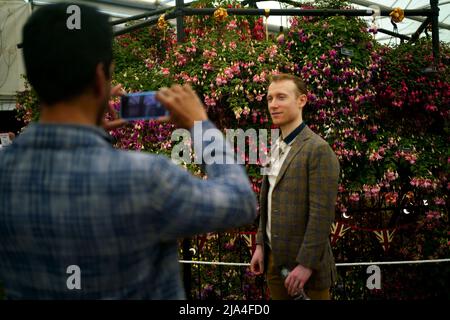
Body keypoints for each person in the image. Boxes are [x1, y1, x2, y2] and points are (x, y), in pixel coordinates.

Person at [0, 3, 256, 299]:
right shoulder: (145, 178)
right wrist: (201, 125)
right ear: (100, 78)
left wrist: (91, 129)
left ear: (32, 79)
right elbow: (240, 202)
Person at [250, 74, 340, 300]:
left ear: (302, 101)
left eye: (281, 97)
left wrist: (306, 265)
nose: (273, 104)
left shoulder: (318, 149)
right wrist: (261, 245)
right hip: (274, 263)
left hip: (306, 272)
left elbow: (322, 214)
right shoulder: (275, 148)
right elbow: (268, 201)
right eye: (269, 98)